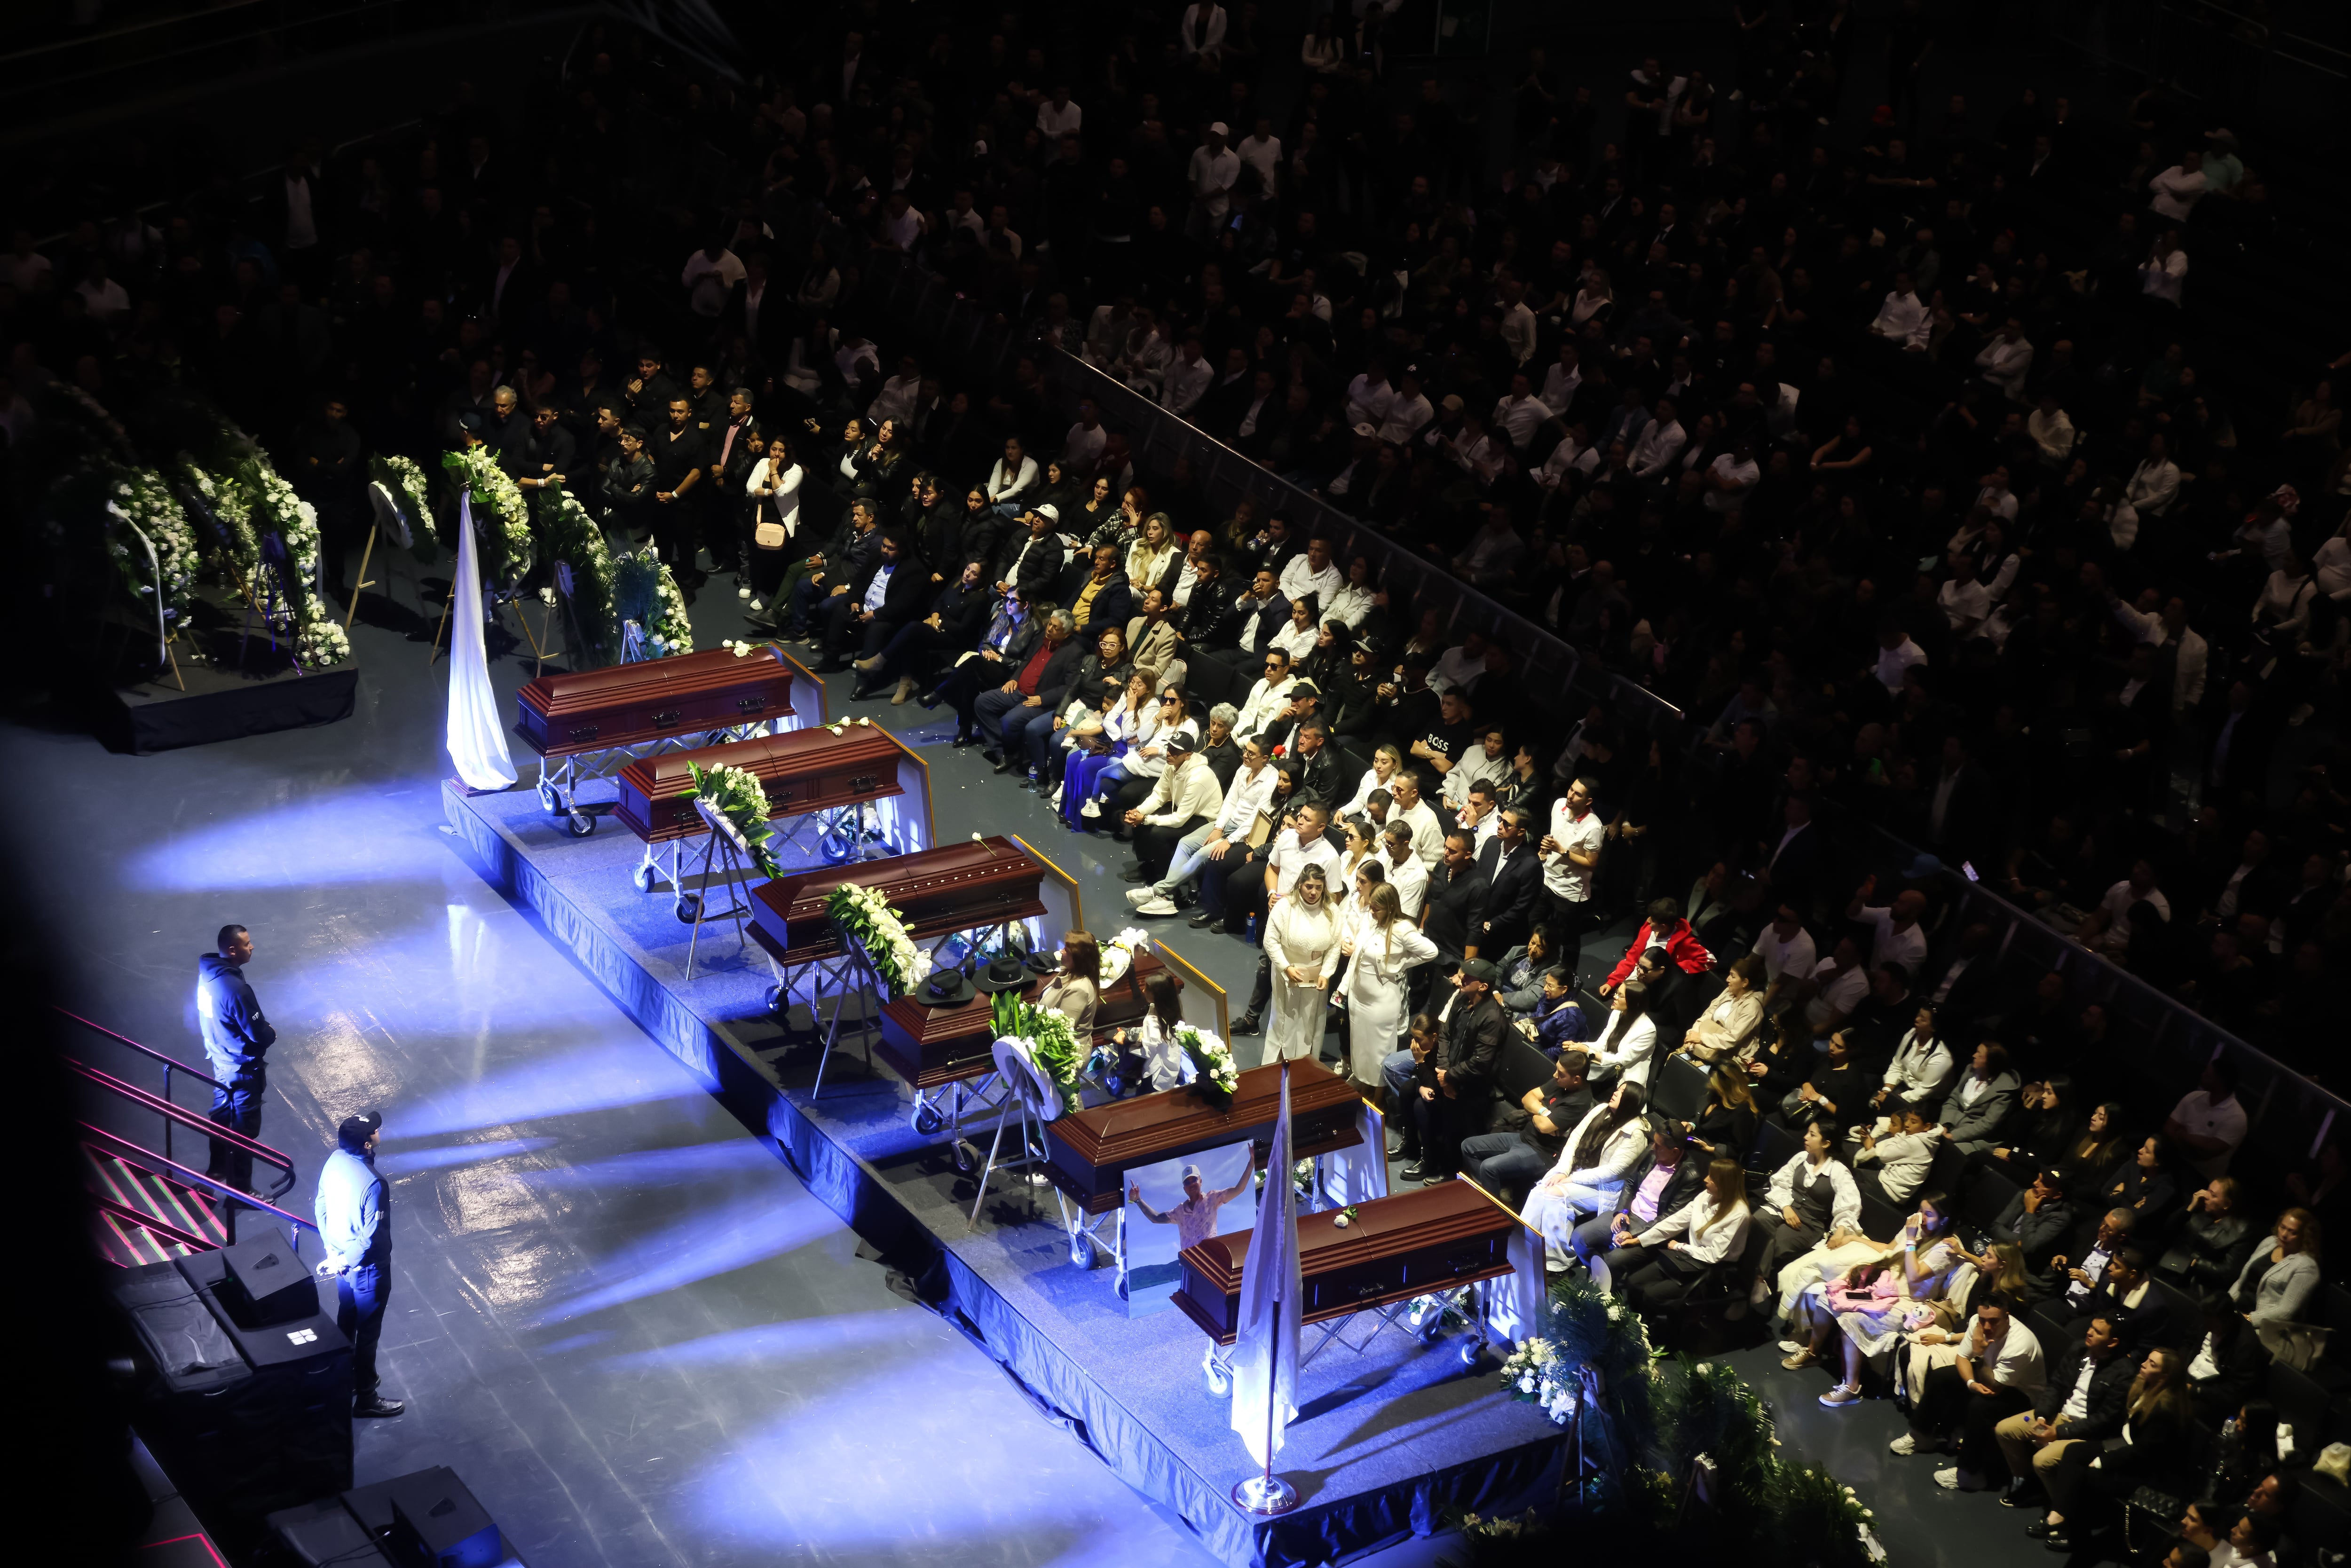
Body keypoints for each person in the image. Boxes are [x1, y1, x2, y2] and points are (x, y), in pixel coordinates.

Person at [1786, 1191, 1965, 1407]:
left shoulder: (1946, 1246)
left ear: (1945, 1220)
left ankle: (1852, 1388)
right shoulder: (1914, 1229)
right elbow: (1890, 1250)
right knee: (1827, 1297)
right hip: (1881, 1289)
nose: (1922, 1218)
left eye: (1929, 1214)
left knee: (1851, 1320)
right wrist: (1854, 1238)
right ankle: (1813, 1352)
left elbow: (1915, 1274)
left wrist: (1910, 1239)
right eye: (1920, 1211)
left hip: (1906, 1303)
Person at [1980, 1315, 2134, 1504]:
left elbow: (2104, 1419)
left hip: (2085, 1432)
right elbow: (2056, 1385)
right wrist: (2043, 1415)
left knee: (2042, 1461)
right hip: (2058, 1416)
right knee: (2005, 1430)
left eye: (2098, 1332)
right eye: (2091, 1327)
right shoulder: (2078, 1349)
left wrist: (2059, 1432)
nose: (2089, 1332)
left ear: (2113, 1342)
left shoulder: (2124, 1373)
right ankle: (2028, 1481)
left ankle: (2064, 1510)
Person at [1890, 1292, 2045, 1466]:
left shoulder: (2020, 1345)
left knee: (1979, 1406)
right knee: (1941, 1377)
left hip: (2022, 1393)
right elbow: (1962, 1357)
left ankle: (1968, 1471)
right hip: (1992, 1374)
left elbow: (1994, 1386)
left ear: (2007, 1317)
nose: (1986, 1327)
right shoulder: (1977, 1323)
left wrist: (1979, 1354)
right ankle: (1920, 1436)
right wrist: (1971, 1383)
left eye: (1994, 1321)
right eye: (1983, 1319)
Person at [315, 1111, 402, 1418]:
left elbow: (321, 1203)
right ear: (367, 1144)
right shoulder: (375, 1184)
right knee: (367, 1334)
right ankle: (365, 1396)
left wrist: (333, 1252)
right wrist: (345, 1257)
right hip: (367, 1270)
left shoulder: (335, 1159)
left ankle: (343, 1377)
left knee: (347, 1317)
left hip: (341, 1262)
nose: (379, 1130)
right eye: (375, 1130)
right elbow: (371, 1239)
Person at [1407, 958, 1509, 1181]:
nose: (1461, 978)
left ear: (1483, 986)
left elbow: (1481, 1062)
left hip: (1473, 1086)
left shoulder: (1493, 1017)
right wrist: (1443, 1073)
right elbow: (1445, 1035)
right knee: (1421, 1104)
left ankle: (1449, 1172)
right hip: (1450, 1077)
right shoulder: (1462, 999)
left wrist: (1449, 1077)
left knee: (1454, 1122)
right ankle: (1429, 1161)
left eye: (1468, 977)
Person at [1524, 1081, 1652, 1256]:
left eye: (1622, 1092)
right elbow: (1575, 1139)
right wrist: (1563, 1170)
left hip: (1605, 1187)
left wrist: (1570, 1179)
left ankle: (1556, 1259)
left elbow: (1614, 1172)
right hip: (1576, 1172)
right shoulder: (1601, 1109)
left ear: (1630, 1101)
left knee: (1555, 1196)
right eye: (1618, 1088)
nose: (1615, 1092)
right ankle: (1525, 1242)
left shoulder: (1636, 1134)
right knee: (1540, 1191)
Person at [1609, 1158, 1752, 1310]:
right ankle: (1634, 1322)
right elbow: (1675, 1222)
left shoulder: (1739, 1215)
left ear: (1726, 1185)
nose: (1706, 1180)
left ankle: (1649, 1328)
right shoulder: (1707, 1195)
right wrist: (1638, 1239)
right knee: (1634, 1282)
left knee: (1651, 1295)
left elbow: (1714, 1256)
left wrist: (1680, 1247)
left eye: (1713, 1179)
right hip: (1688, 1257)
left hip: (1709, 1269)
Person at [197, 924, 276, 1194]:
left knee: (220, 1115)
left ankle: (217, 1169)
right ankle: (242, 1191)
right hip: (242, 1068)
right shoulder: (236, 989)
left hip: (220, 1060)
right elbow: (258, 1034)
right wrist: (270, 1033)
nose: (252, 947)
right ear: (232, 950)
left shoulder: (207, 976)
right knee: (244, 1129)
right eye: (247, 944)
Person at [1751, 1121, 1864, 1304]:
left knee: (1776, 1242)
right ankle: (1739, 1269)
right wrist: (1786, 1207)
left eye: (1812, 1135)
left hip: (1808, 1224)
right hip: (1783, 1210)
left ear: (1826, 1143)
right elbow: (1781, 1182)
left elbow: (1850, 1204)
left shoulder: (1838, 1171)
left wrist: (1841, 1229)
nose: (1806, 1137)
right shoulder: (1802, 1157)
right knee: (1756, 1223)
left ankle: (1756, 1282)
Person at [1341, 882, 1438, 1094]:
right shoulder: (1372, 921)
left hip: (1381, 1003)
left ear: (1390, 907)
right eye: (1372, 906)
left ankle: (1379, 1097)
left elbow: (1431, 952)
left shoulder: (1402, 929)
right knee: (1361, 1047)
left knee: (1379, 1052)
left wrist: (1399, 964)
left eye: (1377, 907)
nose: (1372, 911)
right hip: (1359, 998)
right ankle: (1363, 1083)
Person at [1461, 1048, 1594, 1203]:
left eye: (1561, 1074)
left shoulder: (1580, 1101)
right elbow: (1527, 1098)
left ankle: (1494, 1212)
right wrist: (1544, 1112)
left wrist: (1536, 1111)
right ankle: (1492, 1189)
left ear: (1576, 1079)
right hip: (1524, 1137)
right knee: (1468, 1146)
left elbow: (1544, 1127)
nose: (1555, 1075)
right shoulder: (1562, 1082)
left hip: (1542, 1153)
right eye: (1557, 1070)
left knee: (1489, 1167)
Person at [1262, 865, 1341, 1061]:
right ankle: (1278, 1063)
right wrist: (1286, 967)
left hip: (1316, 976)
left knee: (1309, 1021)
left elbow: (1335, 945)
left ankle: (1305, 1065)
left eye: (1319, 887)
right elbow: (1270, 940)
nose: (1314, 892)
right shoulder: (1285, 907)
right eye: (1309, 886)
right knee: (1284, 1020)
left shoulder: (1332, 910)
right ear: (1300, 885)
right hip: (1287, 971)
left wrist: (1326, 973)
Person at [2231, 1208, 2322, 1357]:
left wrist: (2248, 1318)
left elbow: (2286, 1312)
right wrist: (2226, 1302)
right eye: (2283, 1227)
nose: (2284, 1234)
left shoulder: (2307, 1266)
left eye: (2293, 1232)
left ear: (2305, 1236)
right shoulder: (2269, 1243)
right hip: (2238, 1310)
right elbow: (2243, 1279)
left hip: (2264, 1327)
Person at [1129, 1148, 1257, 1251]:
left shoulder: (1213, 1198)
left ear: (1201, 1182)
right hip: (1192, 1265)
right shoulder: (1179, 1212)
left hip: (1212, 1257)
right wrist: (1138, 1200)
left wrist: (1251, 1162)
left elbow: (1239, 1189)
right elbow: (1156, 1218)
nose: (1191, 1184)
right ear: (1184, 1188)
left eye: (1194, 1180)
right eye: (1187, 1182)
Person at [1680, 953, 1766, 1063]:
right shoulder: (1729, 992)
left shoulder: (1753, 1007)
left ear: (1745, 983)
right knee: (1677, 1057)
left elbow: (1732, 1039)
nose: (1727, 979)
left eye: (1733, 976)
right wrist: (1693, 1034)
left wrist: (1702, 1039)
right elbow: (1708, 1014)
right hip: (1706, 1046)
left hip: (1729, 1059)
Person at [1040, 932, 1102, 1039]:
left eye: (1066, 950)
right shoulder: (1068, 972)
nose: (1061, 951)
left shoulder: (1079, 989)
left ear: (1078, 958)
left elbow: (1063, 1030)